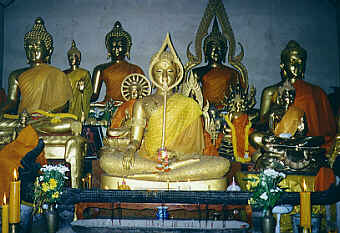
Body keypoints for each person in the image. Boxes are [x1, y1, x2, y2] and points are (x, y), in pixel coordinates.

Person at [99, 34, 230, 182]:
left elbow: (195, 148)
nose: (165, 76)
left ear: (178, 74)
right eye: (160, 71)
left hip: (180, 160)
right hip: (149, 158)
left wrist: (176, 154)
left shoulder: (189, 104)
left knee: (222, 164)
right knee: (107, 161)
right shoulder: (142, 103)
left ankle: (163, 173)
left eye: (170, 71)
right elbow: (135, 140)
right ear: (153, 74)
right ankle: (165, 173)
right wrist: (130, 150)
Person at [258, 40, 336, 150]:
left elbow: (324, 132)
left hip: (303, 140)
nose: (297, 66)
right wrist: (275, 112)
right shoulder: (270, 91)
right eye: (292, 61)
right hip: (278, 138)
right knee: (257, 138)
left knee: (311, 142)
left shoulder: (317, 92)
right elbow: (261, 124)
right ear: (283, 65)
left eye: (300, 62)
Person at [0, 17, 72, 115]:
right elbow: (12, 102)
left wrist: (48, 114)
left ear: (49, 51)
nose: (33, 50)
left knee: (66, 124)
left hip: (45, 120)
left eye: (37, 46)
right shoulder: (16, 75)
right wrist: (2, 111)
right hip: (23, 120)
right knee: (4, 126)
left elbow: (65, 105)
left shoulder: (56, 74)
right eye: (29, 46)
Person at [191, 18, 244, 109]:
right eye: (212, 47)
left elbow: (238, 97)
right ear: (205, 50)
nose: (216, 51)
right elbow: (191, 98)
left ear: (225, 51)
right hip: (203, 111)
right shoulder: (197, 72)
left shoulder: (233, 73)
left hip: (226, 112)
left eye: (220, 48)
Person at [91, 21, 144, 105]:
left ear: (127, 49)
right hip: (107, 106)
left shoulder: (135, 69)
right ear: (108, 49)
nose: (116, 49)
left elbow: (142, 95)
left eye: (120, 46)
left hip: (128, 107)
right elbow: (93, 95)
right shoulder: (100, 69)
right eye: (113, 46)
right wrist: (81, 92)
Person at [63, 40, 93, 121]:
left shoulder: (84, 73)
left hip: (79, 103)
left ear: (78, 59)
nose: (72, 59)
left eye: (74, 57)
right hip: (67, 104)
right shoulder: (64, 73)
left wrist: (82, 90)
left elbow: (89, 91)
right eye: (70, 57)